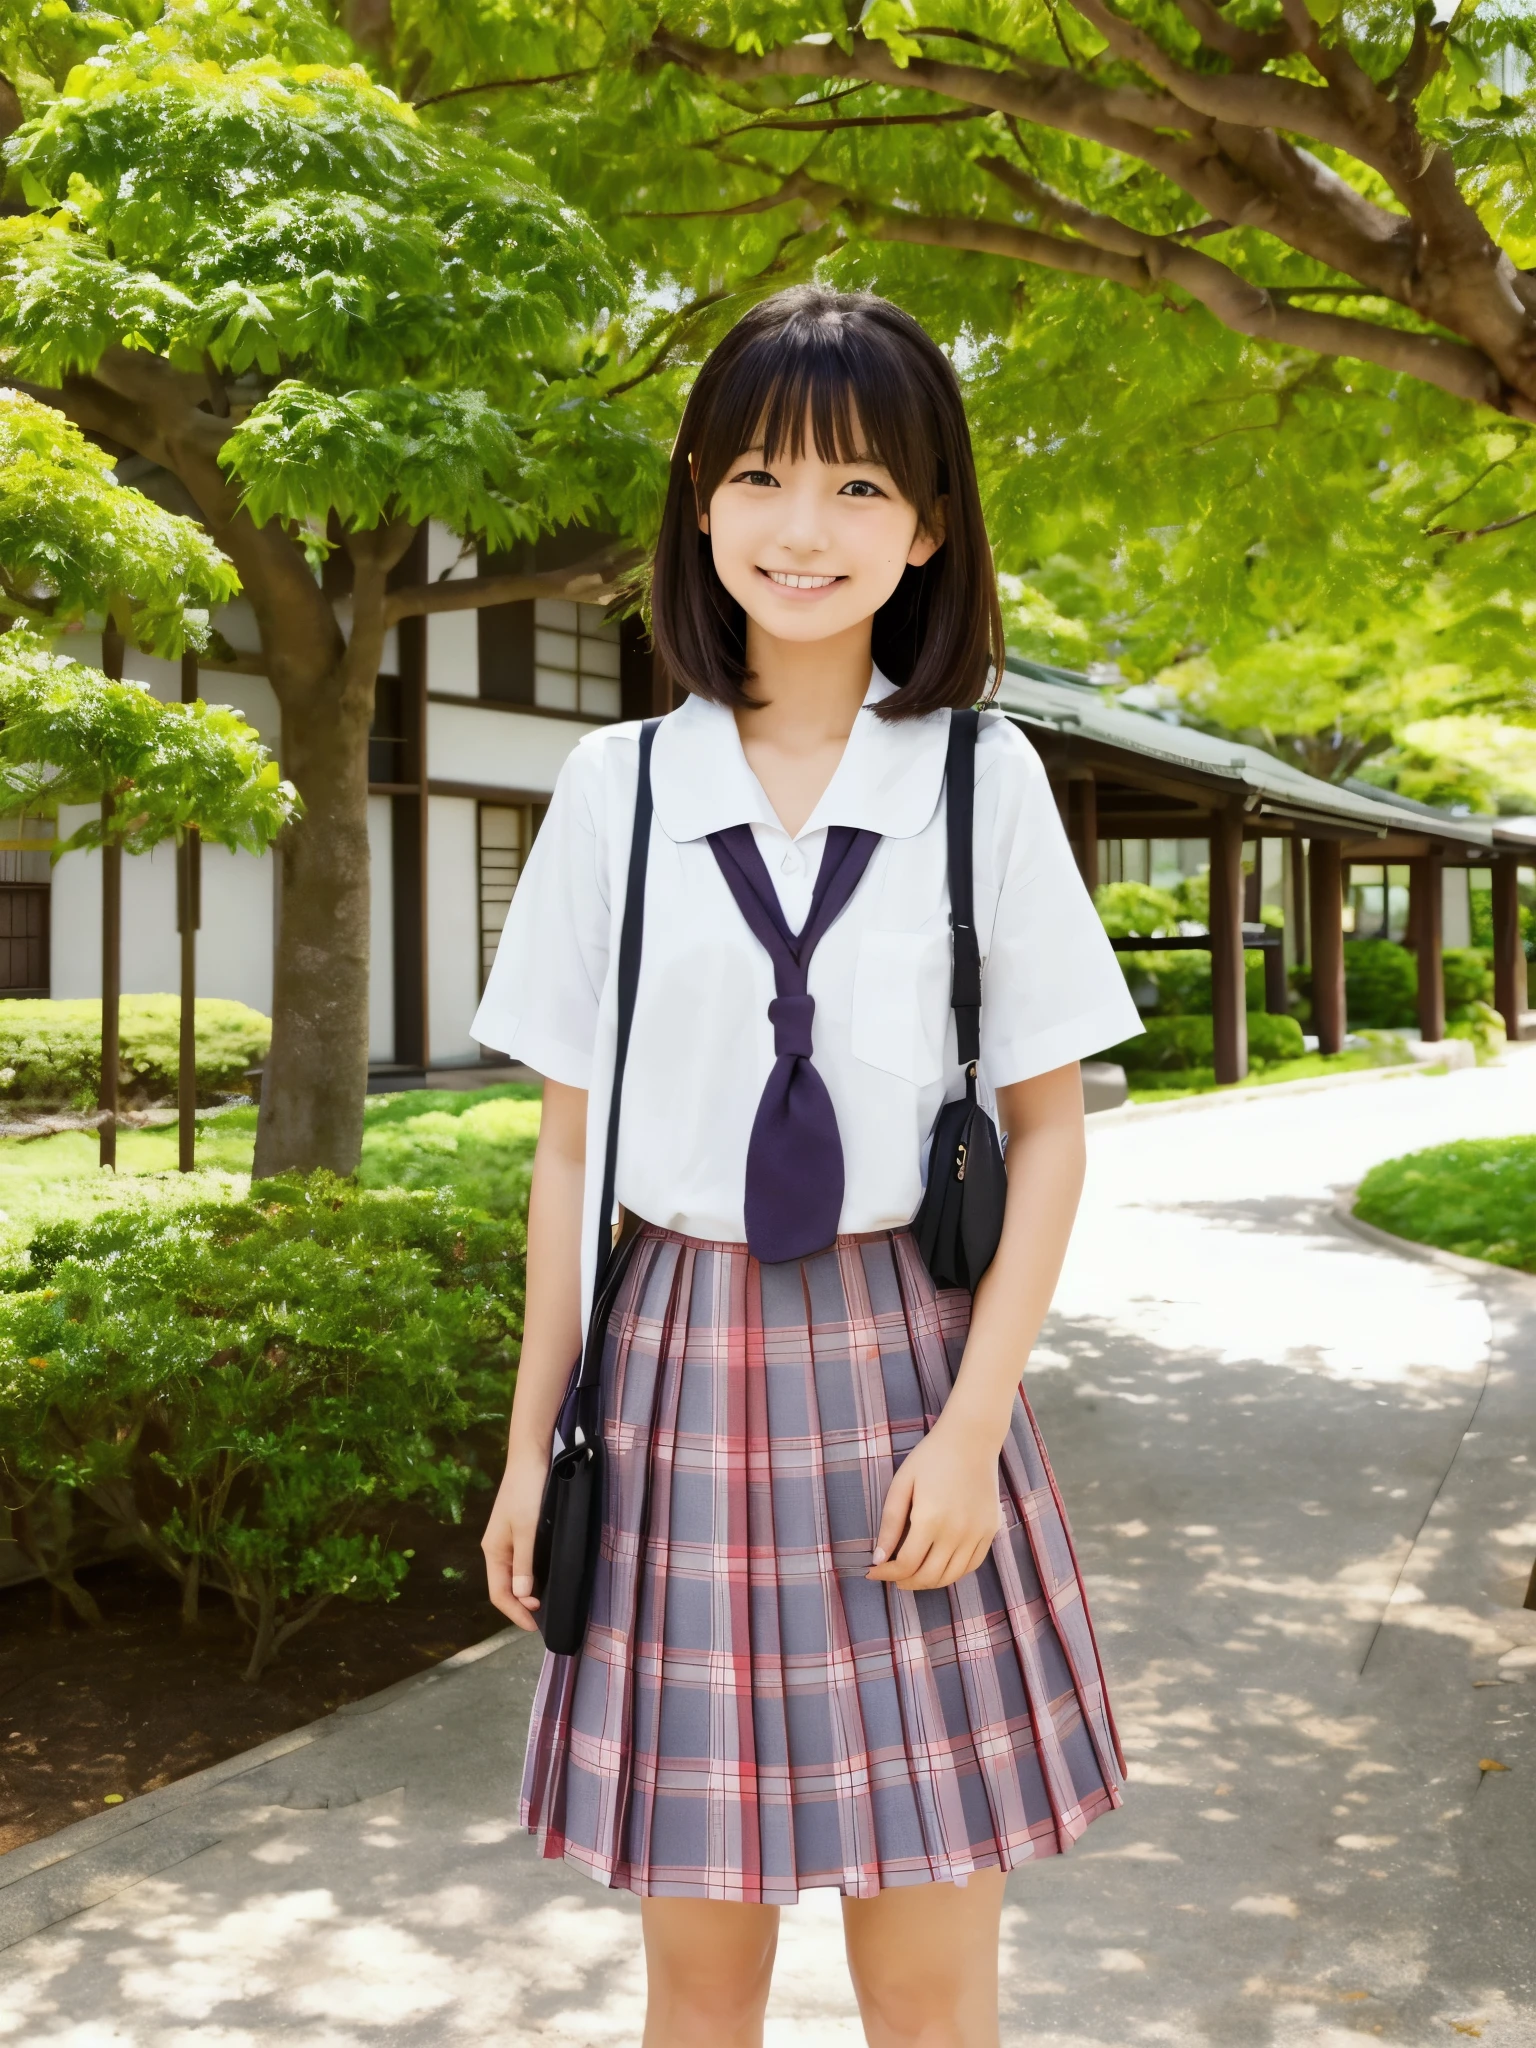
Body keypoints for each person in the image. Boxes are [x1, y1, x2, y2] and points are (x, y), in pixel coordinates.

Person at [475, 285, 1143, 2048]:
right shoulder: (608, 791)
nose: (805, 527)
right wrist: (536, 1443)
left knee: (925, 1976)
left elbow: (1050, 1129)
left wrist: (979, 1425)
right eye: (765, 473)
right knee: (702, 1981)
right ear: (700, 499)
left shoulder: (986, 782)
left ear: (929, 530)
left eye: (862, 489)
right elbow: (568, 1159)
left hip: (908, 1367)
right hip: (677, 1373)